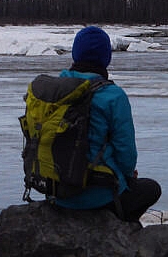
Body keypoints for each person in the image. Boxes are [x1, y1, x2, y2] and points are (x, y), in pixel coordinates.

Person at [53, 26, 161, 222]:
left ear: (76, 55)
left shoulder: (54, 90)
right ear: (106, 58)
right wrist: (126, 175)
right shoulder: (113, 96)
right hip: (100, 196)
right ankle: (120, 230)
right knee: (152, 189)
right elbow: (126, 153)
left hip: (56, 192)